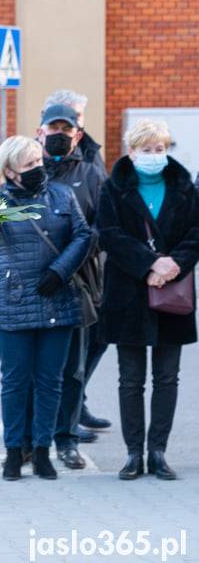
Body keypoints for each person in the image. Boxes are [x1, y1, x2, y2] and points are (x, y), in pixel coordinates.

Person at [97, 120, 199, 481]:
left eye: (160, 149)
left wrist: (172, 264)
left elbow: (195, 232)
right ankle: (132, 453)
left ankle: (157, 452)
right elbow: (108, 234)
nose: (154, 156)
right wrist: (150, 264)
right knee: (130, 379)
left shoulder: (184, 186)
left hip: (173, 293)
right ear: (131, 151)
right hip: (128, 294)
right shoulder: (114, 188)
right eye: (146, 149)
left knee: (168, 377)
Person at [0, 135, 91, 481]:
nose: (37, 169)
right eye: (28, 165)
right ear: (10, 172)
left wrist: (59, 271)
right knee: (15, 382)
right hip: (13, 302)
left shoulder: (61, 195)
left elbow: (82, 235)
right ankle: (14, 452)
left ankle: (44, 450)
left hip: (57, 299)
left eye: (38, 161)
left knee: (50, 382)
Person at [34, 103, 107, 469]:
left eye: (67, 128)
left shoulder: (92, 175)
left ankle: (67, 438)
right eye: (53, 128)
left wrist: (67, 264)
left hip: (78, 282)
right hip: (35, 286)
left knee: (72, 369)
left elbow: (100, 229)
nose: (59, 134)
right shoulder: (30, 169)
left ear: (78, 134)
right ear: (40, 131)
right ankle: (34, 441)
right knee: (36, 369)